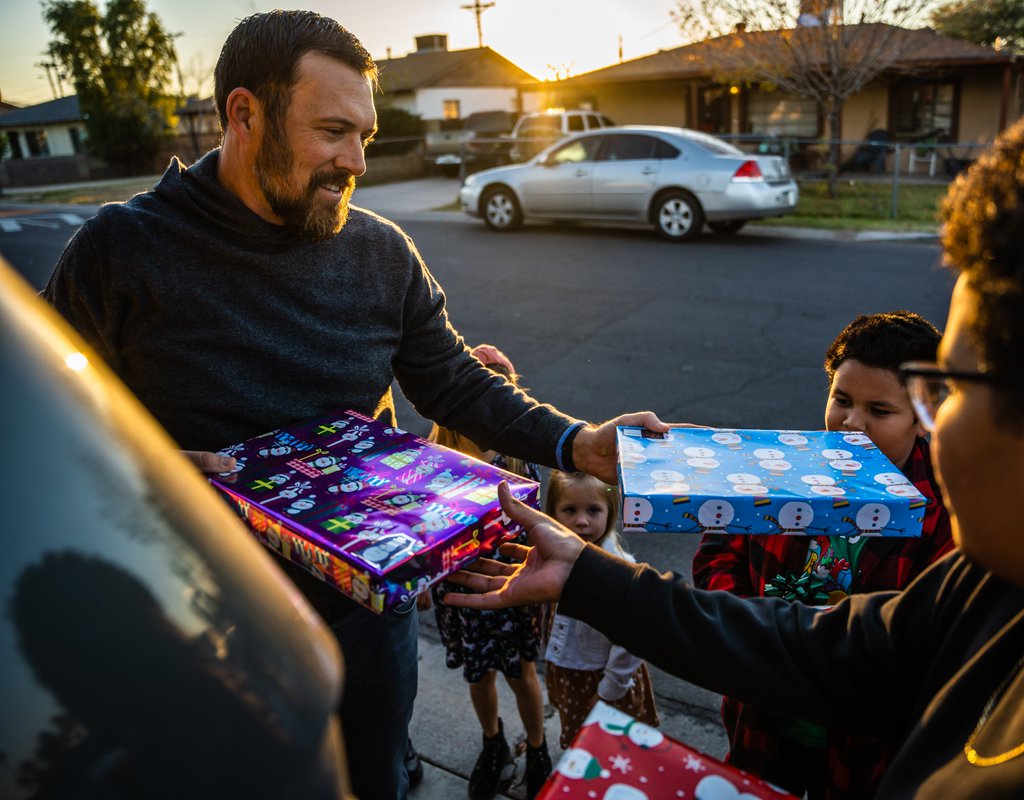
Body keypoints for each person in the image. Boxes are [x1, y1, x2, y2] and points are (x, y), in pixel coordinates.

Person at [444, 76, 1024, 797]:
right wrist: (586, 574)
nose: (925, 423)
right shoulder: (1001, 588)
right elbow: (827, 650)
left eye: (945, 391)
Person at [38, 11, 665, 800]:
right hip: (194, 627)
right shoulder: (121, 251)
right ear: (243, 114)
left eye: (364, 136)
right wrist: (135, 464)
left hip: (366, 617)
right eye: (334, 132)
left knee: (372, 780)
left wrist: (579, 443)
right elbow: (34, 413)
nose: (357, 162)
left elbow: (454, 382)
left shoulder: (380, 250)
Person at [691, 310, 954, 798]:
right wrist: (748, 632)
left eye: (880, 410)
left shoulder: (941, 516)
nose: (852, 423)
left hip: (863, 748)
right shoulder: (778, 469)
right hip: (762, 718)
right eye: (842, 400)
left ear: (924, 417)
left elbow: (930, 642)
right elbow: (718, 551)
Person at [421, 343, 553, 800]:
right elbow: (419, 529)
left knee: (523, 675)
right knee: (478, 675)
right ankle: (493, 741)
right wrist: (420, 579)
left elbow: (543, 533)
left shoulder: (520, 463)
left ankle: (537, 750)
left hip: (513, 587)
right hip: (458, 590)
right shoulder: (433, 458)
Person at [542, 470, 660, 748]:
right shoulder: (556, 555)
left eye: (593, 510)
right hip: (572, 669)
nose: (581, 521)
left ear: (610, 513)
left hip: (603, 678)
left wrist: (609, 690)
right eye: (569, 510)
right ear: (553, 513)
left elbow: (631, 641)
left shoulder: (618, 568)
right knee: (583, 748)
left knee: (613, 748)